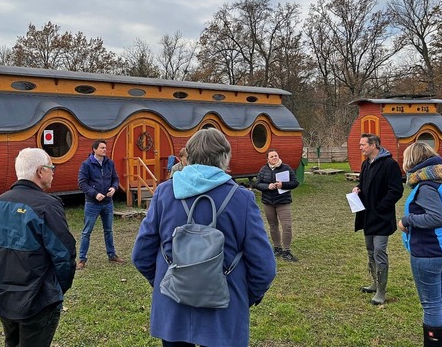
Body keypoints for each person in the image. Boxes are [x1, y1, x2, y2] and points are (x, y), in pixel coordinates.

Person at [132, 128, 277, 347]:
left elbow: (142, 253)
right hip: (224, 308)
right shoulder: (242, 199)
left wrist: (170, 282)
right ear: (225, 157)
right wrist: (244, 297)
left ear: (188, 157)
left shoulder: (163, 193)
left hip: (174, 308)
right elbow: (264, 266)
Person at [0, 148, 76, 347]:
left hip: (5, 296)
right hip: (39, 298)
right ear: (40, 171)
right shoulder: (46, 205)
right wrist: (57, 289)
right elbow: (65, 254)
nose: (53, 172)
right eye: (51, 167)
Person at [397, 143, 442, 347]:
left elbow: (436, 218)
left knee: (431, 304)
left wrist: (408, 220)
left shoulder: (426, 185)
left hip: (428, 252)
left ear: (412, 161)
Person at [351, 133, 403, 305]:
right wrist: (358, 189)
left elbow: (396, 190)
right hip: (367, 217)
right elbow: (364, 184)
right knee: (370, 251)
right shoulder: (366, 164)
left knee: (380, 252)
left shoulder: (390, 164)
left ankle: (381, 291)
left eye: (363, 144)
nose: (360, 147)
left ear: (373, 145)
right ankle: (374, 283)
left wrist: (380, 206)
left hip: (382, 217)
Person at [76, 139, 124, 270]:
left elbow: (115, 178)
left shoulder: (109, 163)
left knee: (108, 230)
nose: (104, 150)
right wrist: (95, 194)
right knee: (87, 231)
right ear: (94, 149)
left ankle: (112, 255)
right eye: (102, 148)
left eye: (105, 148)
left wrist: (114, 188)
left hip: (107, 203)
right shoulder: (86, 164)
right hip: (92, 204)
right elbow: (82, 183)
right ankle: (81, 259)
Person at [253, 149, 300, 262]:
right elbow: (257, 184)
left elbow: (295, 183)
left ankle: (287, 251)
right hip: (268, 202)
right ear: (267, 159)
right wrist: (267, 186)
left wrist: (282, 185)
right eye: (272, 156)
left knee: (287, 226)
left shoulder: (286, 168)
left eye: (276, 155)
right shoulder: (263, 170)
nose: (274, 157)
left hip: (283, 201)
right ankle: (277, 248)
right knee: (273, 226)